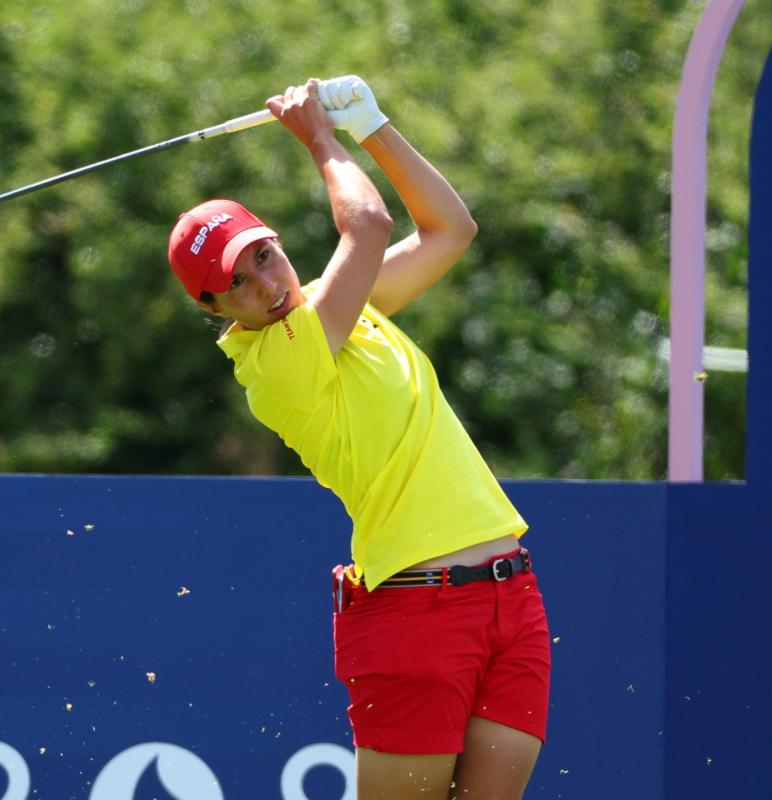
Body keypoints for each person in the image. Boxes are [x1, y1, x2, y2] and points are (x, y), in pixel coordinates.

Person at [166, 76, 550, 800]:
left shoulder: (345, 308)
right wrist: (319, 137)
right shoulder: (279, 364)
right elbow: (367, 226)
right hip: (415, 614)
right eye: (237, 283)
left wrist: (374, 125)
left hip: (510, 599)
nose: (265, 284)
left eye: (264, 256)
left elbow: (450, 230)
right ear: (211, 307)